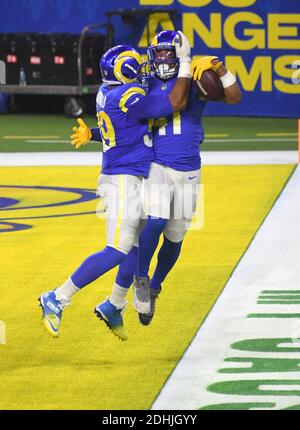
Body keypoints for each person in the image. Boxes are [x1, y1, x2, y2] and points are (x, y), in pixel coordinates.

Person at [38, 34, 192, 340]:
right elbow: (172, 103)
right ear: (125, 70)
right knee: (118, 249)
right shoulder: (128, 96)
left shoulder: (107, 91)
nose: (142, 69)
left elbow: (124, 127)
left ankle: (115, 305)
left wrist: (94, 134)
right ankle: (57, 296)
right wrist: (185, 65)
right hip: (123, 180)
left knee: (134, 248)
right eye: (136, 66)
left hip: (129, 175)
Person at [105, 30, 242, 335]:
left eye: (170, 52)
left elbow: (234, 97)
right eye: (159, 53)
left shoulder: (195, 78)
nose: (163, 57)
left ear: (176, 52)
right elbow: (141, 112)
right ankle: (140, 279)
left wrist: (219, 68)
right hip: (157, 164)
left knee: (176, 237)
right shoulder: (144, 84)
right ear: (152, 55)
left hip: (190, 167)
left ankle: (155, 285)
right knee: (155, 220)